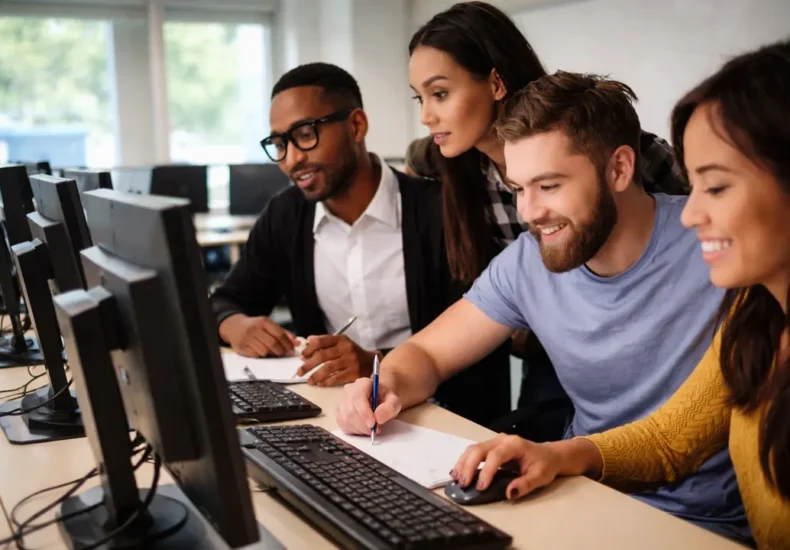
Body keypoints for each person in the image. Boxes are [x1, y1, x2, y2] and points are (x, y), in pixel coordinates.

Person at [336, 71, 751, 543]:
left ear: (619, 169)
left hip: (702, 524)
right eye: (518, 189)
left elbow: (673, 441)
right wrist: (381, 386)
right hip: (577, 494)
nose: (529, 213)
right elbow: (428, 354)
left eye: (549, 186)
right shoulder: (528, 261)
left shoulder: (719, 245)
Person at [449, 41, 790, 550]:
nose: (692, 215)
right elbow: (670, 439)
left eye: (715, 188)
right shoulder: (755, 317)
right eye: (693, 187)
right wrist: (557, 456)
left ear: (620, 169)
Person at [407, 1, 688, 439]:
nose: (426, 116)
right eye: (519, 188)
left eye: (439, 94)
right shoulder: (449, 166)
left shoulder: (639, 166)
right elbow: (427, 352)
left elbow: (700, 228)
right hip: (556, 346)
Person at [210, 62, 510, 426]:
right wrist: (235, 324)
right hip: (333, 418)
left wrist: (376, 362)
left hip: (439, 419)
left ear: (356, 125)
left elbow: (483, 344)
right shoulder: (286, 215)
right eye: (279, 144)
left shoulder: (441, 210)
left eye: (305, 134)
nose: (291, 159)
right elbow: (225, 302)